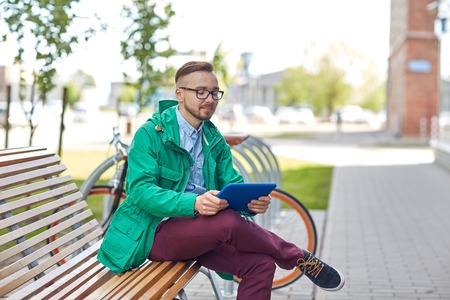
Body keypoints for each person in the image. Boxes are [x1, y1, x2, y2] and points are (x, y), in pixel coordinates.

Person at [98, 61, 345, 299]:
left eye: (215, 93)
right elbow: (140, 192)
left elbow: (233, 185)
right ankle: (296, 256)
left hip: (203, 231)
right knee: (226, 221)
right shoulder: (151, 134)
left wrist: (252, 202)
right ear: (179, 94)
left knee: (261, 265)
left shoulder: (213, 138)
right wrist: (193, 204)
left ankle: (289, 256)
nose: (210, 99)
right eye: (201, 92)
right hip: (155, 232)